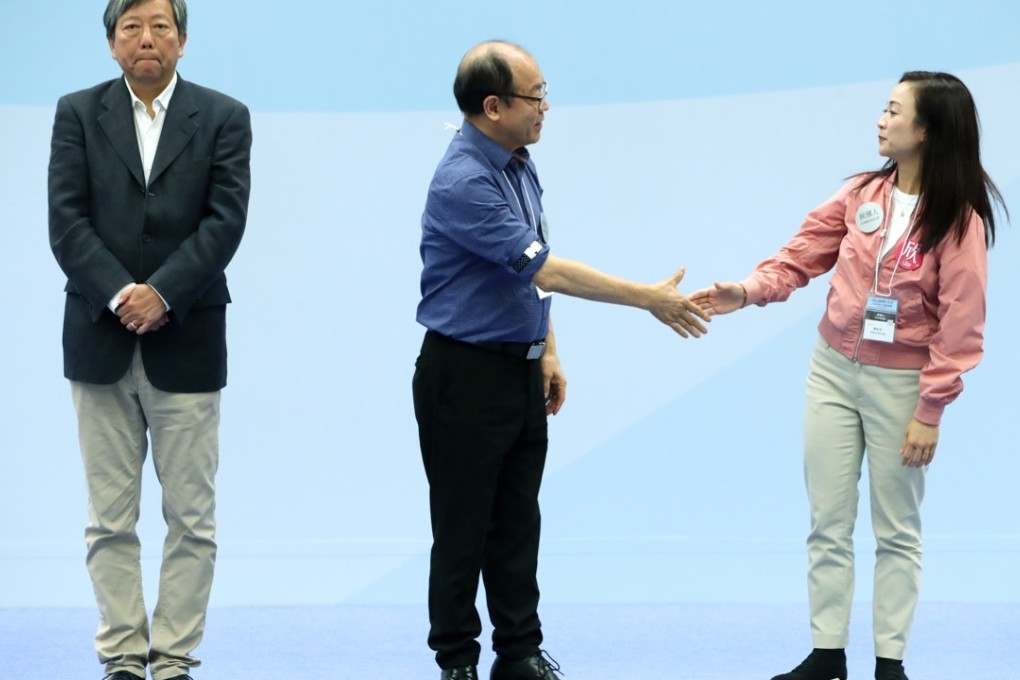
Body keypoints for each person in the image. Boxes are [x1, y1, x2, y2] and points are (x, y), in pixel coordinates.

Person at [690, 71, 1006, 680]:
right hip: (831, 373)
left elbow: (961, 330)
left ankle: (890, 665)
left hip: (902, 388)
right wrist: (746, 290)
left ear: (928, 130)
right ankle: (827, 654)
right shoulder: (862, 194)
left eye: (893, 111)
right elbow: (801, 255)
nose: (880, 121)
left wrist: (929, 412)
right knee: (827, 521)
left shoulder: (958, 222)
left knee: (896, 530)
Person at [413, 40, 709, 680]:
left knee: (518, 521)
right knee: (463, 529)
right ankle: (456, 663)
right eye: (535, 95)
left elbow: (528, 272)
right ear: (493, 106)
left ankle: (518, 653)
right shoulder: (465, 180)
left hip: (517, 369)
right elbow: (545, 266)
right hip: (463, 375)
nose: (546, 106)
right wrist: (646, 298)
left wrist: (546, 349)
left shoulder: (517, 162)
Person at [47, 1, 251, 678]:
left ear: (183, 42)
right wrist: (120, 295)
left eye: (160, 26)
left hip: (187, 338)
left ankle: (173, 660)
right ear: (111, 45)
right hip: (99, 338)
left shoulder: (224, 116)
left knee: (191, 518)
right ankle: (123, 658)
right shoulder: (77, 113)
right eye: (130, 27)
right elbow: (67, 223)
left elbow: (223, 224)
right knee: (109, 519)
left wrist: (162, 293)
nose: (146, 39)